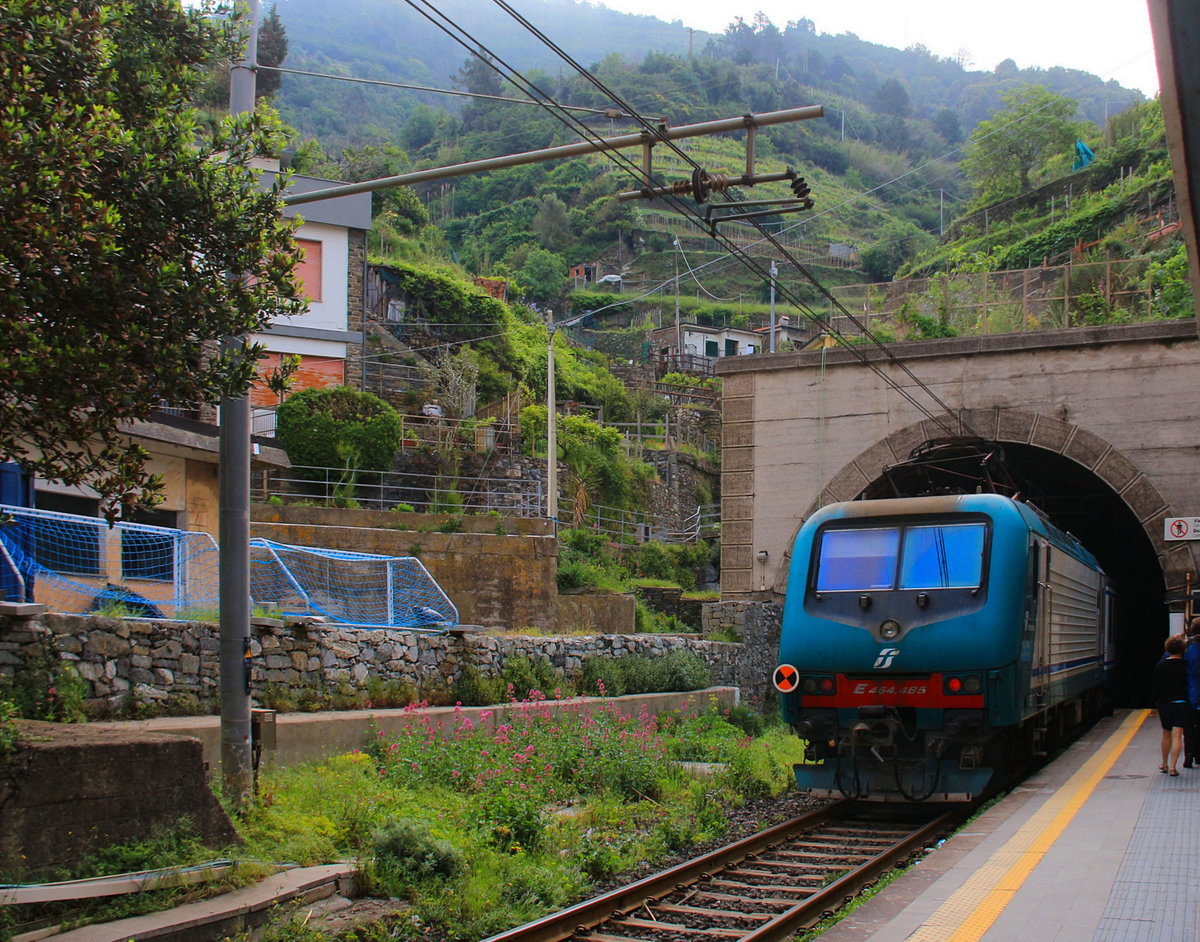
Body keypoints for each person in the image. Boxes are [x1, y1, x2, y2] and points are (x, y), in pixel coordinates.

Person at [1153, 634, 1189, 775]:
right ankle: (1174, 767)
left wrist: (1152, 706)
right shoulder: (1186, 666)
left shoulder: (1161, 666)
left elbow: (1156, 687)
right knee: (1177, 735)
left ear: (1168, 649)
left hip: (1165, 704)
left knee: (1166, 734)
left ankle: (1165, 763)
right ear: (1182, 650)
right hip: (1182, 703)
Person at [1184, 618, 1200, 768]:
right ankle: (1199, 756)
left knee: (1188, 727)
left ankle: (1188, 754)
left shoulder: (1186, 647)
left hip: (1189, 693)